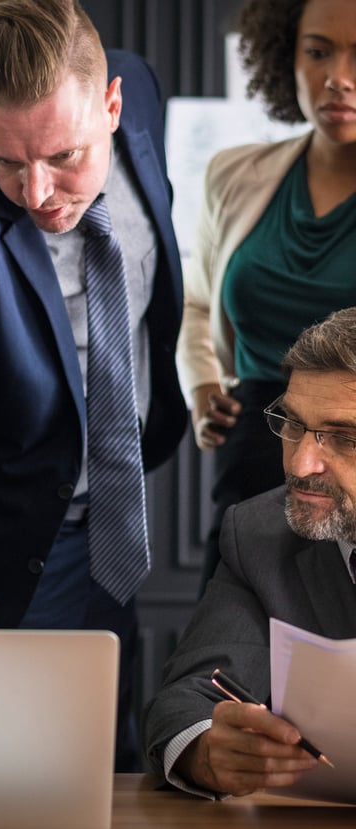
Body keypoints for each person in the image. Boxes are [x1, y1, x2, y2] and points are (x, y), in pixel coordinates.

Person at [0, 0, 186, 771]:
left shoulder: (139, 89)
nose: (38, 191)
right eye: (6, 161)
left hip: (115, 522)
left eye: (64, 156)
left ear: (112, 104)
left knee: (102, 771)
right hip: (6, 554)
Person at [177, 0, 356, 593]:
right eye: (317, 51)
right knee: (228, 654)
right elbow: (198, 302)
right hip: (256, 445)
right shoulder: (235, 174)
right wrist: (202, 384)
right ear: (285, 56)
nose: (337, 77)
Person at [144, 305, 356, 798]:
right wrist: (206, 750)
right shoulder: (260, 534)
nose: (302, 463)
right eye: (294, 424)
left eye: (344, 438)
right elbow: (185, 701)